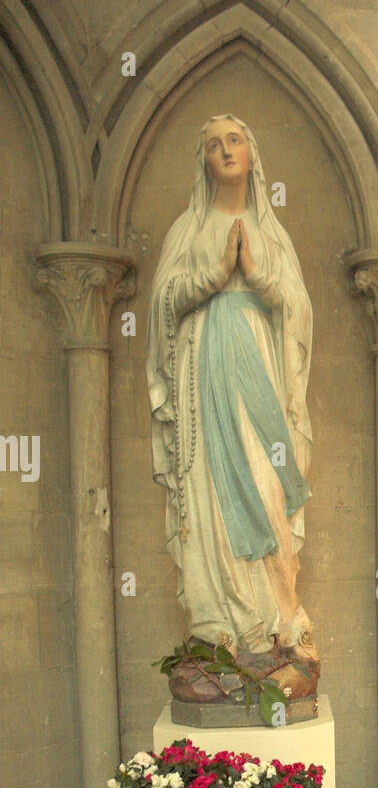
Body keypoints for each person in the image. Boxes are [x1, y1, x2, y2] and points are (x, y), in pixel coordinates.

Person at [146, 114, 319, 697]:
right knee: (210, 499)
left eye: (235, 139)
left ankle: (281, 628)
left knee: (268, 493)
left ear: (251, 152)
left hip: (259, 384)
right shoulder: (187, 229)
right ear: (203, 160)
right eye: (213, 143)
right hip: (202, 385)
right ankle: (220, 634)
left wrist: (255, 275)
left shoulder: (270, 230)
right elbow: (163, 305)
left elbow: (298, 309)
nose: (225, 149)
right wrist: (213, 276)